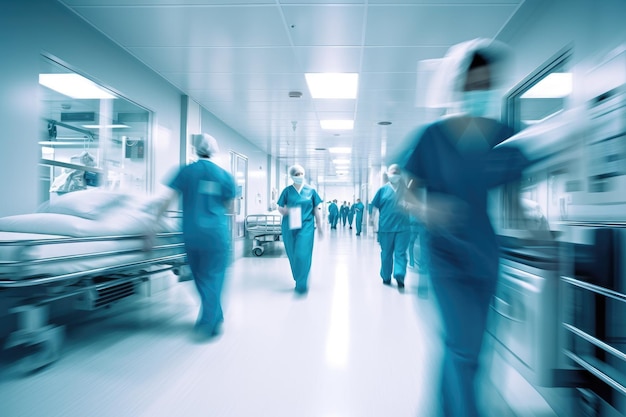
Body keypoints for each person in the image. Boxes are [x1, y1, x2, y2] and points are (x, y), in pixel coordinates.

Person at [401, 39, 530, 417]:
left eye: (487, 83)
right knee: (462, 345)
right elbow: (405, 193)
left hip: (486, 254)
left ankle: (442, 408)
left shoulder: (504, 135)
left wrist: (538, 229)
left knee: (470, 349)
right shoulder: (432, 137)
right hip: (444, 254)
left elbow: (515, 201)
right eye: (473, 84)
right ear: (458, 87)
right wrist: (429, 209)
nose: (480, 91)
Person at [150, 133, 236, 341]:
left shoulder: (186, 172)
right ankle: (210, 320)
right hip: (216, 234)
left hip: (192, 233)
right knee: (215, 276)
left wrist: (153, 225)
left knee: (199, 276)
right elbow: (230, 207)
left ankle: (213, 316)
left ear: (196, 150)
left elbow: (168, 199)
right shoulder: (224, 176)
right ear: (214, 151)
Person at [277, 164, 323, 295]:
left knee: (302, 254)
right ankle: (299, 277)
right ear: (292, 176)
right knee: (292, 255)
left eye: (301, 174)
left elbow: (316, 210)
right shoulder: (287, 191)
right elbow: (280, 207)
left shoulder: (311, 191)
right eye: (296, 174)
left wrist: (319, 226)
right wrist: (284, 211)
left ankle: (301, 284)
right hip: (289, 226)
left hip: (306, 227)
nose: (299, 176)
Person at [370, 164, 411, 289]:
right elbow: (374, 206)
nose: (395, 174)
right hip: (386, 228)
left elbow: (416, 205)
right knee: (386, 254)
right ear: (388, 174)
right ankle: (386, 276)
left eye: (397, 172)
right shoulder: (382, 190)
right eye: (393, 172)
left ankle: (399, 276)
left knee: (400, 253)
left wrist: (410, 206)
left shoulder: (406, 191)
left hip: (403, 228)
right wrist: (372, 220)